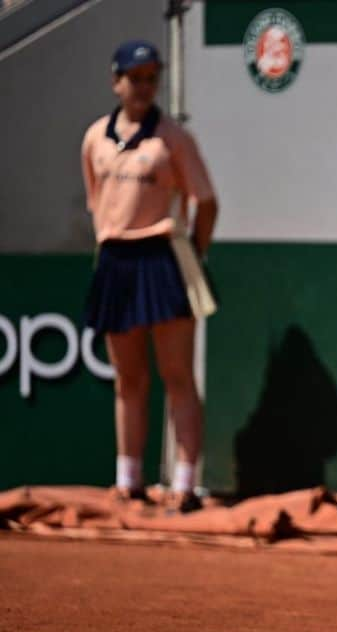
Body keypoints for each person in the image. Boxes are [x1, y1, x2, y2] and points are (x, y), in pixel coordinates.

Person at [81, 41, 218, 512]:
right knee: (128, 378)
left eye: (150, 78)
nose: (143, 86)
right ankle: (128, 479)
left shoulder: (173, 139)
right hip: (116, 260)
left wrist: (193, 253)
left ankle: (184, 484)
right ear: (115, 81)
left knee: (177, 374)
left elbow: (206, 200)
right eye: (134, 77)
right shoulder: (94, 138)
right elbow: (95, 202)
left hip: (164, 259)